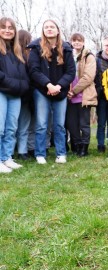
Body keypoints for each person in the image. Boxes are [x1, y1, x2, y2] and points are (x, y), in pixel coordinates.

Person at [27, 19, 76, 164]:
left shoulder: (66, 48)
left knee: (59, 124)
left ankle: (61, 154)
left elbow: (71, 72)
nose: (49, 29)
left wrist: (59, 86)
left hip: (60, 91)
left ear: (57, 30)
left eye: (52, 27)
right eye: (46, 27)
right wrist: (48, 85)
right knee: (42, 124)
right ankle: (40, 154)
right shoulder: (36, 47)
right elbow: (33, 70)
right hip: (41, 91)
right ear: (43, 31)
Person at [0, 17, 29, 173]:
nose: (7, 30)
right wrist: (14, 84)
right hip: (2, 92)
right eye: (3, 27)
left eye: (11, 28)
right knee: (0, 128)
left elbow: (25, 76)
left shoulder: (18, 52)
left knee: (11, 128)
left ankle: (6, 157)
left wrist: (22, 86)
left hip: (16, 95)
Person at [66, 33, 97, 157]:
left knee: (84, 124)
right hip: (69, 96)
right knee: (72, 124)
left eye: (79, 40)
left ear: (83, 42)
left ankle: (84, 148)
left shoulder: (89, 57)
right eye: (74, 40)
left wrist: (74, 91)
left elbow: (88, 77)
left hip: (83, 95)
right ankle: (77, 145)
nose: (77, 43)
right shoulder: (68, 56)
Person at [95, 37, 108, 154]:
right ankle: (100, 145)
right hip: (101, 96)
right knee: (101, 122)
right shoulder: (96, 60)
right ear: (103, 46)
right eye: (107, 45)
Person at [16, 29, 32, 160]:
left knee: (10, 125)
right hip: (26, 95)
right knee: (24, 125)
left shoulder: (13, 55)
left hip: (14, 93)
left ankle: (9, 152)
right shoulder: (30, 56)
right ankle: (22, 151)